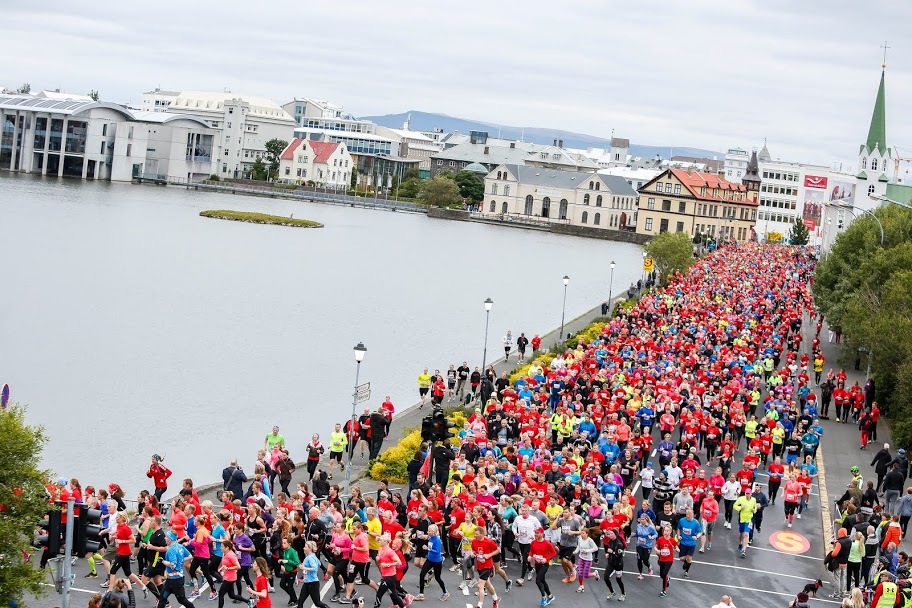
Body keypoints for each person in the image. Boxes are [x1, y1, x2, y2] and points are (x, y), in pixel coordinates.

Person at [155, 532, 195, 608]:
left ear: (170, 539)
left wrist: (163, 561)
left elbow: (173, 565)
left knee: (181, 599)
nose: (164, 538)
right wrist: (181, 560)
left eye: (166, 537)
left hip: (175, 580)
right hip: (172, 579)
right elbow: (190, 556)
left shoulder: (171, 550)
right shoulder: (180, 546)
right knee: (162, 598)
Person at [470, 525, 501, 608]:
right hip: (479, 565)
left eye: (476, 534)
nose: (475, 535)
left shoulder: (489, 542)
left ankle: (479, 605)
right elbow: (472, 549)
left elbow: (498, 550)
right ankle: (496, 599)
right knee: (487, 585)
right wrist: (472, 553)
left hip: (488, 566)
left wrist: (489, 555)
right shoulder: (474, 541)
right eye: (474, 534)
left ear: (482, 534)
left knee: (480, 585)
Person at [417, 524, 448, 601]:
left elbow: (437, 552)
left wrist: (428, 549)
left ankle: (445, 592)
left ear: (433, 532)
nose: (427, 532)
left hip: (437, 561)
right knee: (422, 574)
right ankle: (421, 594)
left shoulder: (437, 540)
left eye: (429, 531)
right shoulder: (430, 538)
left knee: (438, 578)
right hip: (430, 560)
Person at [528, 528, 556, 606]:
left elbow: (554, 553)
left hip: (544, 565)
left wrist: (546, 559)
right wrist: (530, 556)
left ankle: (544, 597)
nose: (535, 534)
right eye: (535, 533)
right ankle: (550, 596)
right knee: (542, 581)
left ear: (542, 533)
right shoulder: (533, 542)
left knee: (538, 581)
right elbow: (531, 551)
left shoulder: (547, 543)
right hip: (537, 564)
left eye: (537, 533)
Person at [297, 541, 330, 608]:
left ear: (309, 548)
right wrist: (304, 566)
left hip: (312, 583)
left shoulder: (311, 558)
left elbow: (315, 568)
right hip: (307, 582)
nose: (303, 548)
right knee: (300, 602)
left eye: (305, 547)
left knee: (317, 603)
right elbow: (319, 564)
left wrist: (304, 567)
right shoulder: (312, 556)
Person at [675, 508, 701, 578]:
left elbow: (700, 532)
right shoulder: (682, 521)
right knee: (681, 558)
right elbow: (678, 529)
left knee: (689, 558)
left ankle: (686, 571)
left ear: (692, 514)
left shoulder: (696, 523)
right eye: (687, 514)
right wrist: (678, 535)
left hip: (691, 543)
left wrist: (697, 537)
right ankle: (685, 562)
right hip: (683, 542)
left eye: (689, 514)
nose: (688, 516)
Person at [732, 487, 758, 558]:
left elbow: (755, 508)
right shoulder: (741, 499)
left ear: (751, 494)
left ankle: (744, 550)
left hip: (749, 519)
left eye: (748, 494)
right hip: (742, 519)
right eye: (746, 493)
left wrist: (754, 510)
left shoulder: (753, 500)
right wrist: (740, 508)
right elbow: (734, 506)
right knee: (741, 534)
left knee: (746, 534)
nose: (747, 495)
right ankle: (740, 543)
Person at [654, 524, 678, 598]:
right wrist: (657, 550)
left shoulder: (672, 540)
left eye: (667, 531)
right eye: (665, 530)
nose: (666, 532)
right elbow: (656, 547)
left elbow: (676, 547)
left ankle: (664, 591)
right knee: (662, 575)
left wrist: (677, 549)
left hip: (669, 559)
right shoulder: (660, 539)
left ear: (670, 532)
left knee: (664, 574)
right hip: (662, 559)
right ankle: (667, 578)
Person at [602, 528, 626, 601]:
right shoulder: (610, 541)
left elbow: (619, 555)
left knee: (618, 579)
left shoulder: (619, 544)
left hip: (618, 564)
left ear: (615, 534)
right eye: (609, 533)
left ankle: (623, 594)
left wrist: (612, 552)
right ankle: (612, 591)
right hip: (611, 563)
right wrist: (608, 554)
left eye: (612, 533)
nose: (610, 535)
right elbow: (609, 551)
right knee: (606, 577)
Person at [573, 528, 599, 593]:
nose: (581, 534)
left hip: (588, 559)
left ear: (587, 534)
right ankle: (581, 586)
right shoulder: (579, 539)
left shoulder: (590, 540)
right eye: (581, 533)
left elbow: (595, 548)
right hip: (581, 558)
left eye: (583, 533)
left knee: (586, 575)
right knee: (580, 573)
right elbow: (578, 546)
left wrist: (587, 551)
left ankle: (594, 573)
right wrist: (576, 551)